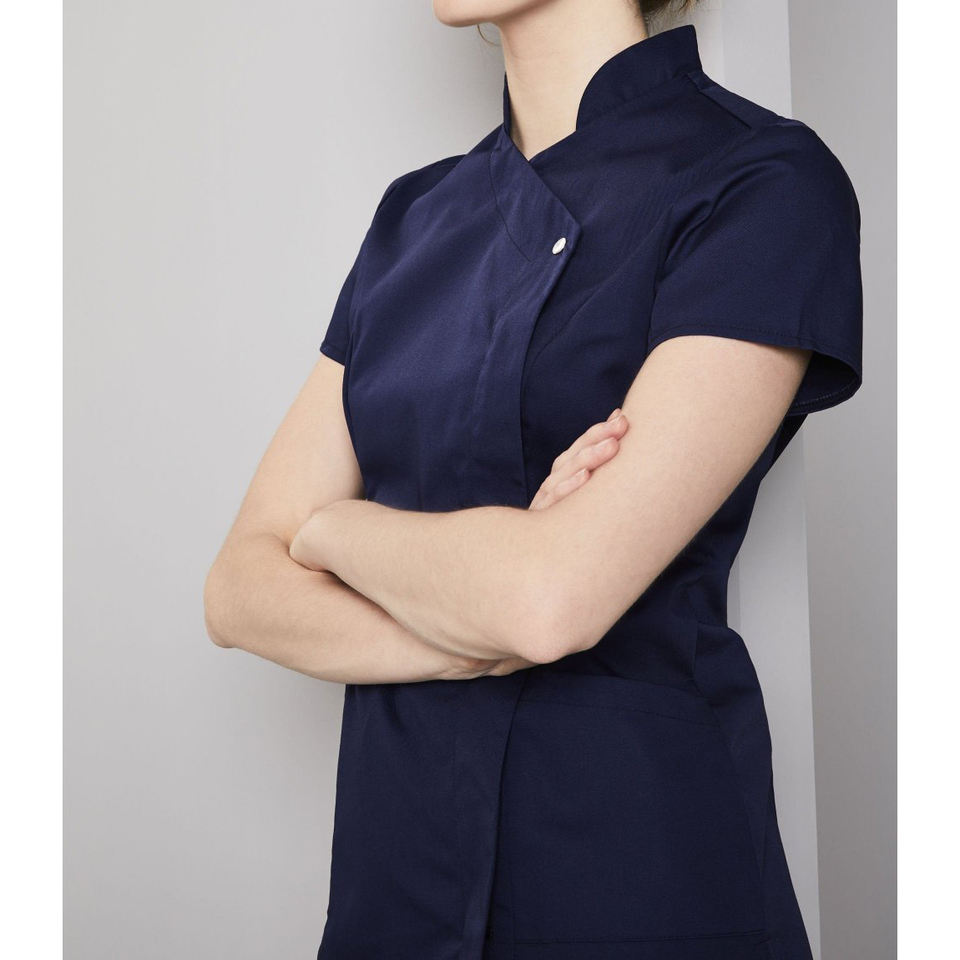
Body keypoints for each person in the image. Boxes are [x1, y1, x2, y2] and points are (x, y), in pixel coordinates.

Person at [203, 1, 863, 958]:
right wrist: (476, 627)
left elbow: (549, 603)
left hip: (634, 881)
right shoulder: (413, 220)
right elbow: (236, 592)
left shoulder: (763, 181)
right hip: (395, 887)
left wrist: (333, 532)